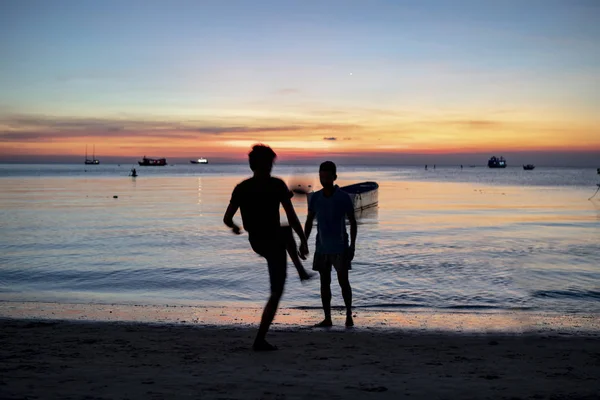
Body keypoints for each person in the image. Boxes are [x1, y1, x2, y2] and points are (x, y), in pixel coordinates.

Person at [223, 144, 309, 351]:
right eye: (270, 163)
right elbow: (291, 216)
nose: (271, 166)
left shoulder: (243, 187)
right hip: (271, 240)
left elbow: (227, 218)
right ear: (263, 165)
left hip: (260, 241)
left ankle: (261, 339)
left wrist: (235, 227)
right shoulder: (275, 185)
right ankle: (301, 271)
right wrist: (303, 240)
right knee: (277, 290)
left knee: (277, 289)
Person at [304, 161, 357, 327]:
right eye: (322, 177)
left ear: (334, 177)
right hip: (321, 247)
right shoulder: (315, 198)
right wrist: (303, 242)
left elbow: (353, 223)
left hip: (340, 247)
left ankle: (349, 314)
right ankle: (327, 318)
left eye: (328, 177)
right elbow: (309, 221)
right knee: (324, 283)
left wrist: (352, 246)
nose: (325, 180)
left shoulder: (343, 197)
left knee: (343, 282)